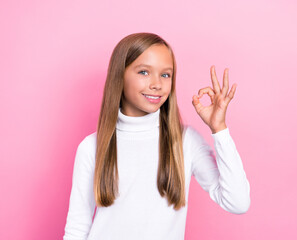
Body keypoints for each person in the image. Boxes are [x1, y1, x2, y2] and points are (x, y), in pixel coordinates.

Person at [63, 32, 250, 240]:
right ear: (120, 76)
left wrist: (219, 129)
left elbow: (238, 202)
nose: (157, 84)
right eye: (144, 72)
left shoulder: (185, 141)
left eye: (165, 74)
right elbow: (77, 227)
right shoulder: (92, 147)